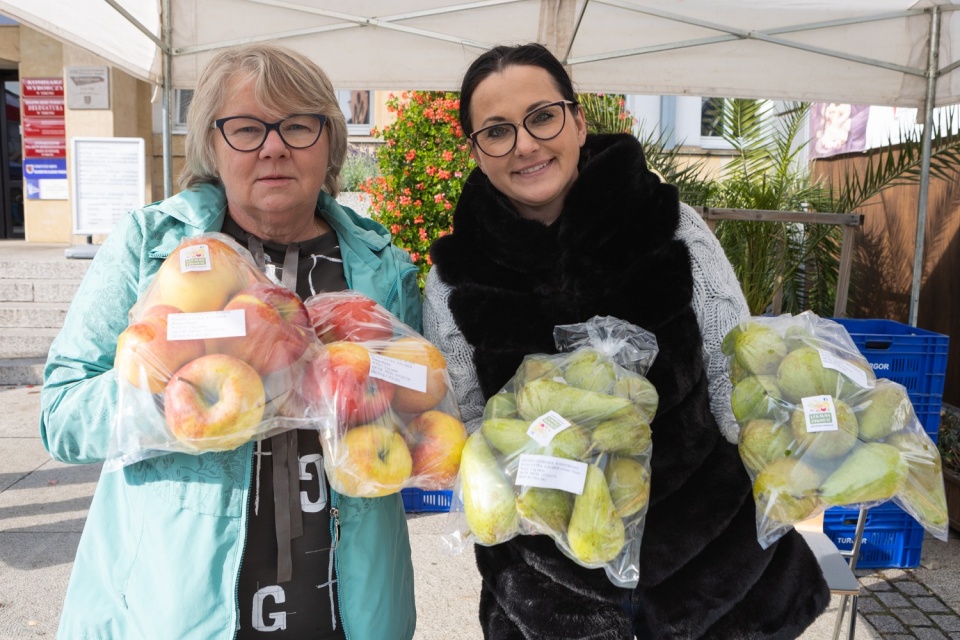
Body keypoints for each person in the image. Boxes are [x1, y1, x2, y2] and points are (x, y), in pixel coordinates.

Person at [423, 43, 830, 639]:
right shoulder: (455, 277)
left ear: (578, 120)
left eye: (543, 117)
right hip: (554, 592)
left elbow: (732, 376)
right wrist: (537, 496)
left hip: (713, 574)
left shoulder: (671, 226)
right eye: (497, 131)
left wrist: (801, 448)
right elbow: (470, 430)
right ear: (476, 151)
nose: (526, 145)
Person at [40, 43, 420, 640]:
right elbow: (60, 414)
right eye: (246, 127)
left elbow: (414, 411)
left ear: (330, 143)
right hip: (180, 611)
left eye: (298, 125)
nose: (274, 146)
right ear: (212, 144)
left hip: (350, 609)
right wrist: (176, 394)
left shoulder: (382, 268)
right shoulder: (152, 248)